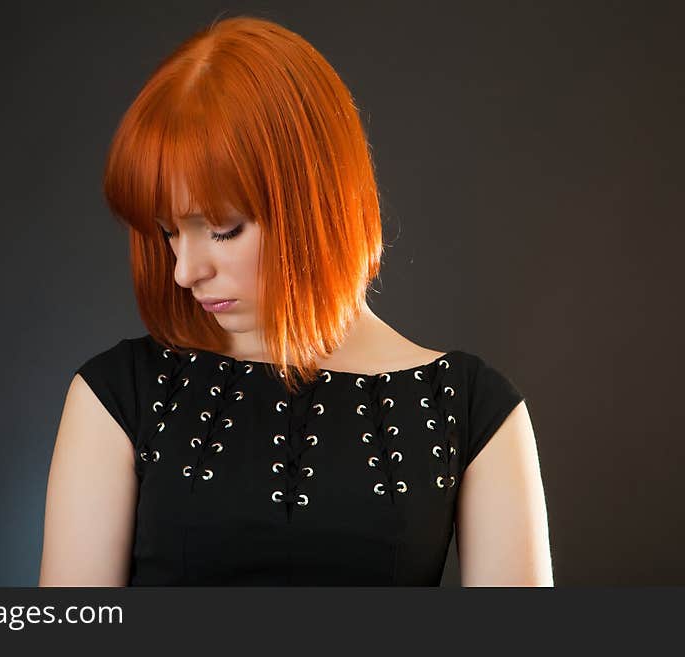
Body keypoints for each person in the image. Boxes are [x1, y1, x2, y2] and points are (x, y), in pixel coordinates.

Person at [38, 15, 553, 586]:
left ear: (317, 202)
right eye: (168, 231)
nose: (185, 271)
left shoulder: (474, 411)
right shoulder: (116, 396)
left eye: (223, 228)